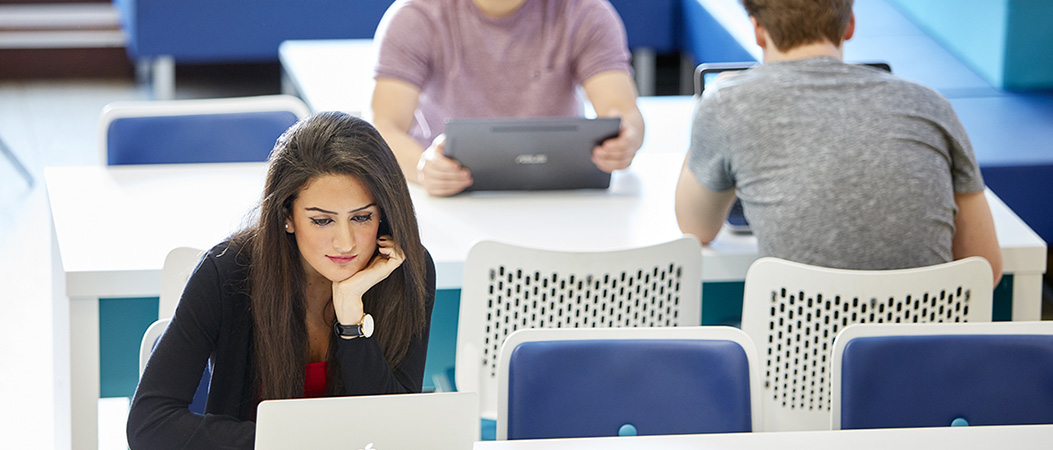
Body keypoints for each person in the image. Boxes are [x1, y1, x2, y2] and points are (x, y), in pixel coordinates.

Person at [127, 112, 435, 449]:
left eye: (361, 217)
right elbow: (149, 424)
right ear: (287, 216)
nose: (345, 242)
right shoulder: (228, 271)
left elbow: (397, 431)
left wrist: (352, 325)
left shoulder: (404, 270)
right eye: (322, 221)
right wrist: (294, 442)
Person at [674, 0, 1002, 284]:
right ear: (850, 25)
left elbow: (696, 228)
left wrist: (716, 102)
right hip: (925, 353)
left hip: (801, 352)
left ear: (758, 30)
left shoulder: (729, 104)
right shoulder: (931, 106)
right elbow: (984, 265)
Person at [371, 0, 645, 196]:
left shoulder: (586, 12)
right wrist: (423, 168)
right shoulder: (415, 16)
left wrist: (626, 138)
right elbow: (384, 127)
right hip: (450, 194)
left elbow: (623, 111)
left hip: (559, 194)